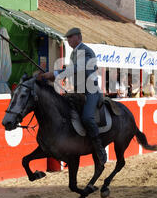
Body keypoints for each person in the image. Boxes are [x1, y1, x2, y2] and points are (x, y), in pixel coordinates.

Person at [38, 27, 107, 166]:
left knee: (87, 117)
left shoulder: (85, 51)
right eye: (68, 38)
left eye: (71, 37)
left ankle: (100, 148)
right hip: (78, 91)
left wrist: (55, 74)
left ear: (78, 37)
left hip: (91, 91)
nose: (68, 40)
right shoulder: (74, 53)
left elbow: (77, 69)